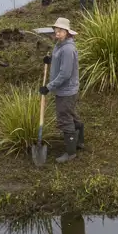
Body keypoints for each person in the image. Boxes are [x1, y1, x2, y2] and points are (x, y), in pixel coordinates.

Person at [40, 17, 83, 163]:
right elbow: (60, 62)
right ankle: (79, 142)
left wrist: (48, 87)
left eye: (60, 31)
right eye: (56, 31)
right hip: (65, 89)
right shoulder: (60, 45)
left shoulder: (68, 49)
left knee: (65, 118)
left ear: (67, 32)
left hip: (66, 90)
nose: (57, 33)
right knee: (70, 113)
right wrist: (51, 60)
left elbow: (65, 73)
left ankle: (70, 153)